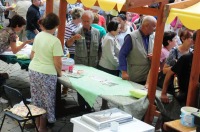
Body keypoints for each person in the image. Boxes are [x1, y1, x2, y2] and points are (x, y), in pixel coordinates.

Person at [29, 13, 63, 131]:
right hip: (46, 73)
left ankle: (38, 125)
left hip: (34, 70)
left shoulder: (38, 36)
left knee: (37, 99)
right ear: (56, 26)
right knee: (46, 101)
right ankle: (42, 128)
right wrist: (60, 73)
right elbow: (57, 62)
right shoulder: (55, 41)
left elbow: (32, 55)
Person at [66, 10, 100, 112]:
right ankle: (81, 106)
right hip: (81, 65)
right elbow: (67, 44)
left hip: (93, 64)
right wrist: (73, 38)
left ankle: (90, 105)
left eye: (87, 21)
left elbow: (99, 49)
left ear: (92, 20)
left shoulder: (97, 33)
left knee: (91, 86)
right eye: (83, 21)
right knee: (81, 87)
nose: (85, 23)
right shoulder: (76, 31)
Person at [118, 16, 157, 85]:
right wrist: (124, 71)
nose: (155, 28)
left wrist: (154, 55)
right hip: (134, 76)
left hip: (147, 77)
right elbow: (122, 54)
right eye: (154, 26)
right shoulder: (131, 37)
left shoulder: (152, 36)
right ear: (146, 26)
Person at [161, 31, 196, 104]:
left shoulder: (191, 53)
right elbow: (166, 71)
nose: (191, 40)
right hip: (179, 88)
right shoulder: (179, 54)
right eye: (190, 38)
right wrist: (163, 93)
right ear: (183, 39)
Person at [98, 20, 121, 109]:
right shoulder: (109, 39)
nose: (120, 29)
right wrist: (119, 64)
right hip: (107, 67)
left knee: (109, 88)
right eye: (118, 28)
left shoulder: (112, 37)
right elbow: (111, 56)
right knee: (106, 87)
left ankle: (105, 105)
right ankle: (104, 105)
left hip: (111, 66)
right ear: (113, 29)